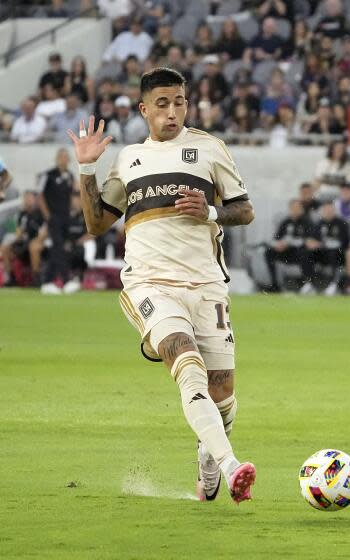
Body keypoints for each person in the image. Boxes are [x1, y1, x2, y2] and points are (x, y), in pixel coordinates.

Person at [67, 67, 257, 503]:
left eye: (180, 103)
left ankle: (209, 466)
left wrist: (208, 213)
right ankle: (231, 468)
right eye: (163, 104)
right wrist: (85, 166)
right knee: (185, 362)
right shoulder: (129, 158)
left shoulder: (210, 149)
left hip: (207, 284)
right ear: (144, 109)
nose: (173, 112)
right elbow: (97, 223)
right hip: (150, 283)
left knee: (222, 389)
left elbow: (244, 211)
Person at [38, 148, 78, 294]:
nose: (64, 160)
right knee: (58, 246)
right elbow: (40, 195)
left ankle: (47, 281)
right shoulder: (48, 175)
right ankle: (66, 280)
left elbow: (72, 197)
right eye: (61, 157)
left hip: (66, 217)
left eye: (66, 157)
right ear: (57, 159)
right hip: (53, 217)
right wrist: (47, 215)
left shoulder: (70, 176)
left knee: (60, 249)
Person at [264, 198, 319, 294]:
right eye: (293, 208)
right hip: (286, 252)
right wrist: (279, 244)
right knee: (269, 252)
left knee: (305, 253)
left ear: (301, 209)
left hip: (300, 253)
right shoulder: (285, 222)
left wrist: (290, 242)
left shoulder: (307, 222)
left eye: (297, 207)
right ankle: (275, 284)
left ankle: (308, 284)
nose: (295, 210)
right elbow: (276, 239)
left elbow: (310, 241)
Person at [1, 192, 45, 286]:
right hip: (25, 241)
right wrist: (16, 240)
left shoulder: (40, 213)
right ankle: (11, 278)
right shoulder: (22, 214)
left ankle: (36, 278)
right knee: (5, 248)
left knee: (33, 247)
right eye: (26, 198)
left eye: (30, 198)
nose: (27, 201)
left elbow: (45, 230)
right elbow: (19, 231)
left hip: (38, 241)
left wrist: (38, 239)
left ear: (35, 199)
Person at [314, 202, 350, 296]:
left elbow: (346, 241)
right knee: (306, 252)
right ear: (322, 211)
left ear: (334, 211)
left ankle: (333, 284)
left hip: (338, 253)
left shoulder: (341, 223)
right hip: (321, 253)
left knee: (334, 253)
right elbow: (313, 239)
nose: (328, 212)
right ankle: (309, 283)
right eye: (326, 210)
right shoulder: (319, 224)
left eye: (330, 210)